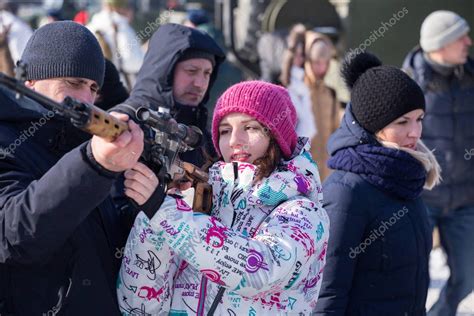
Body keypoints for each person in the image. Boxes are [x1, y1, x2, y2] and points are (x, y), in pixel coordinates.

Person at [117, 80, 330, 315]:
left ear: (277, 137)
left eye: (250, 128)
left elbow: (259, 272)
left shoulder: (304, 212)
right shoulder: (192, 205)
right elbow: (139, 307)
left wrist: (165, 212)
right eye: (225, 131)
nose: (234, 140)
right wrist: (153, 216)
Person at [0, 21, 144, 315]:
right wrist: (94, 165)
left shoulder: (84, 143)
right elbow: (14, 234)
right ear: (31, 82)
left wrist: (152, 202)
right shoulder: (8, 140)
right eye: (73, 83)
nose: (86, 99)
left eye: (93, 88)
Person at [314, 52, 441, 315]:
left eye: (419, 119)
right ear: (374, 126)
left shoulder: (407, 175)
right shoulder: (346, 192)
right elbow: (328, 291)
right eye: (402, 122)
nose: (415, 132)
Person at [402, 10, 474, 316]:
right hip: (422, 200)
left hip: (465, 200)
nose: (468, 43)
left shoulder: (471, 76)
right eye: (461, 37)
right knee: (413, 280)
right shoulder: (407, 85)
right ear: (441, 44)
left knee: (467, 277)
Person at [113, 23, 225, 167]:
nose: (200, 84)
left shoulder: (204, 139)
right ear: (165, 70)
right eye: (191, 71)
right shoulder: (123, 124)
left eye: (207, 73)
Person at [304, 31, 342, 181]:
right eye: (317, 63)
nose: (322, 68)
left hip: (326, 175)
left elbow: (335, 133)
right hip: (302, 176)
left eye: (325, 63)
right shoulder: (297, 94)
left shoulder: (330, 94)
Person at [87, 0, 145, 90]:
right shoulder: (123, 27)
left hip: (95, 86)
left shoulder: (91, 26)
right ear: (123, 7)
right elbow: (133, 62)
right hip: (118, 87)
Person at [280, 24, 317, 141]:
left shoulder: (305, 83)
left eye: (302, 55)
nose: (299, 59)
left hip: (305, 144)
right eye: (296, 55)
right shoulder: (281, 83)